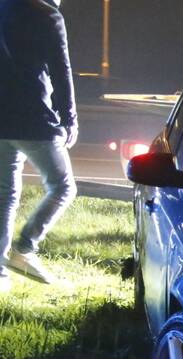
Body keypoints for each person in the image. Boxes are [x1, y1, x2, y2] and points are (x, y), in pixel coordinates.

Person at [0, 0, 78, 292]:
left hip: (1, 118)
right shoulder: (47, 15)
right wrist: (70, 118)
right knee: (63, 187)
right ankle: (24, 247)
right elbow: (62, 68)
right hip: (35, 118)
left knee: (4, 195)